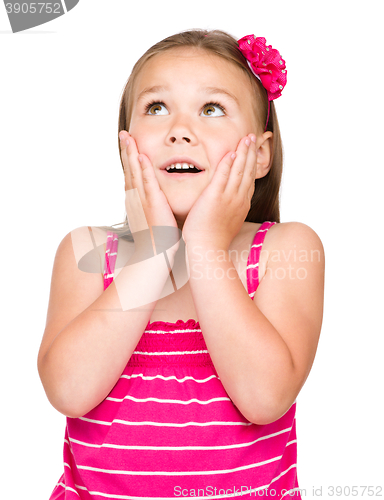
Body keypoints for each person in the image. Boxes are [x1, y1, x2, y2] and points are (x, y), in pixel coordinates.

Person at [38, 29, 325, 500]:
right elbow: (68, 390)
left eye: (211, 109)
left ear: (260, 155)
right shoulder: (87, 253)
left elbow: (265, 398)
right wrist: (153, 254)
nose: (180, 129)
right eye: (156, 108)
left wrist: (207, 249)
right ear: (125, 145)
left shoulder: (287, 249)